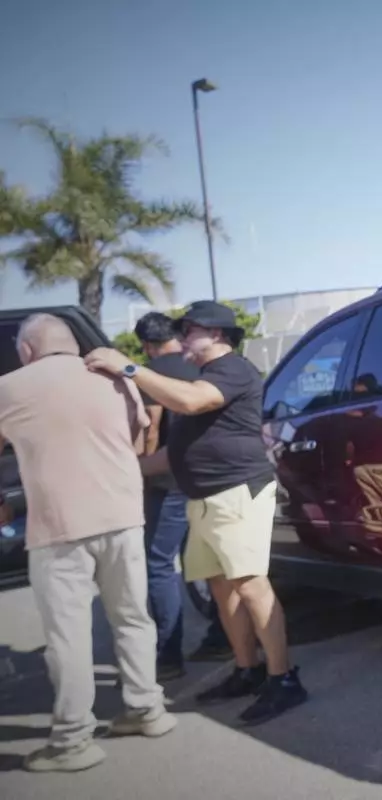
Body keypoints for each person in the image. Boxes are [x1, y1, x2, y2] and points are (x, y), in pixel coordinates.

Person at [85, 301, 307, 725]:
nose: (182, 338)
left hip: (238, 492)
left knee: (251, 585)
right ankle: (247, 668)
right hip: (204, 497)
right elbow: (174, 453)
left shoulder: (232, 369)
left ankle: (284, 679)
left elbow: (191, 402)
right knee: (221, 588)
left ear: (217, 334)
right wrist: (120, 468)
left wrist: (127, 367)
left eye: (189, 330)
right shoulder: (203, 376)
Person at [0, 314, 175, 773]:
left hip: (59, 528)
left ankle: (73, 741)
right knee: (133, 618)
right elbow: (137, 437)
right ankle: (147, 710)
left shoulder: (9, 387)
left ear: (27, 350)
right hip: (123, 516)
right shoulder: (116, 378)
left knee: (68, 637)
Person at [133, 312, 232, 679]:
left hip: (168, 483)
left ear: (147, 345)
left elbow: (151, 429)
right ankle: (222, 637)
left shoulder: (150, 375)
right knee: (208, 562)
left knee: (160, 564)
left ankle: (169, 656)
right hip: (206, 478)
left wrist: (142, 475)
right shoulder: (202, 367)